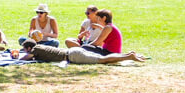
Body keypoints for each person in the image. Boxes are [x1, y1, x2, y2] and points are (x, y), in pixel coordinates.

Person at [17, 40, 146, 64]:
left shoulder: (35, 49)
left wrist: (16, 57)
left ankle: (128, 57)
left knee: (102, 60)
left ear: (29, 48)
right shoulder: (40, 47)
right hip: (73, 51)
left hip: (73, 56)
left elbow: (24, 59)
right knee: (103, 57)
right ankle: (128, 55)